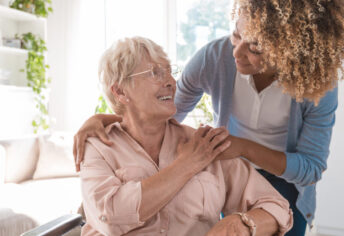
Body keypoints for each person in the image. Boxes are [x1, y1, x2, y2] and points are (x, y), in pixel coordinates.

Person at [74, 1, 344, 235]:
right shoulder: (215, 58)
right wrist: (108, 118)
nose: (236, 53)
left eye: (256, 47)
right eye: (236, 35)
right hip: (228, 157)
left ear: (291, 52)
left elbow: (310, 168)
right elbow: (165, 112)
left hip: (280, 177)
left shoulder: (318, 85)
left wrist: (242, 148)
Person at [80, 36, 292, 236]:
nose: (172, 82)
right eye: (155, 73)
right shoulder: (99, 147)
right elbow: (110, 217)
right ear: (120, 92)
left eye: (170, 71)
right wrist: (186, 164)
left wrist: (244, 224)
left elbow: (278, 207)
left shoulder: (203, 144)